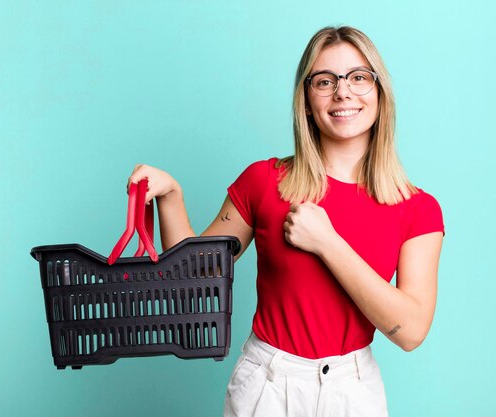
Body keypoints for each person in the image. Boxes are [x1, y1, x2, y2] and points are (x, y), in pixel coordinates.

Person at [128, 26, 444, 417]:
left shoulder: (418, 208)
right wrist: (171, 197)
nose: (343, 92)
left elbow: (411, 331)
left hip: (354, 393)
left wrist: (328, 243)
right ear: (307, 101)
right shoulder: (263, 182)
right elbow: (190, 285)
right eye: (325, 81)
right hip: (267, 386)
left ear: (379, 93)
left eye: (358, 77)